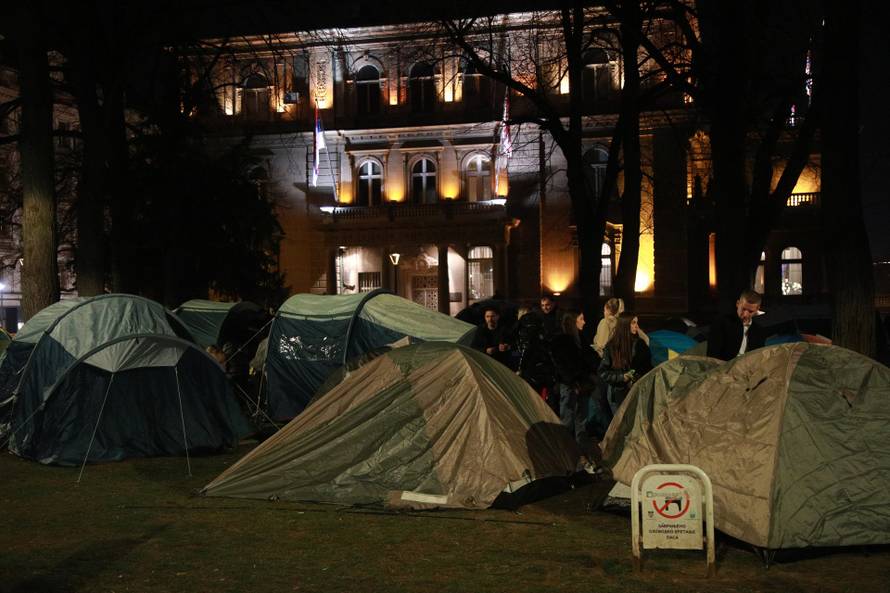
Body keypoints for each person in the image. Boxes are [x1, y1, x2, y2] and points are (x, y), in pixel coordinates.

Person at [550, 311, 597, 471]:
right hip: (570, 386)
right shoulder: (563, 341)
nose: (584, 322)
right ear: (573, 321)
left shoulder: (579, 339)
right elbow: (563, 365)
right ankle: (566, 458)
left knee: (580, 422)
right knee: (568, 421)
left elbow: (589, 359)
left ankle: (580, 458)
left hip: (580, 385)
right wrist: (574, 381)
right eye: (581, 319)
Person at [598, 313, 652, 414]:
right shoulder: (612, 346)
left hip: (636, 393)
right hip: (617, 394)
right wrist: (622, 377)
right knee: (620, 427)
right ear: (625, 324)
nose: (636, 326)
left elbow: (647, 368)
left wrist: (635, 377)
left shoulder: (640, 345)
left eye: (637, 323)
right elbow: (603, 372)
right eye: (633, 323)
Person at [707, 289, 767, 361]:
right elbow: (712, 357)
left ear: (757, 309)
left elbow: (758, 359)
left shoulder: (759, 330)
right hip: (724, 369)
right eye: (743, 309)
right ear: (738, 304)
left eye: (750, 311)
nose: (745, 315)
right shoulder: (721, 323)